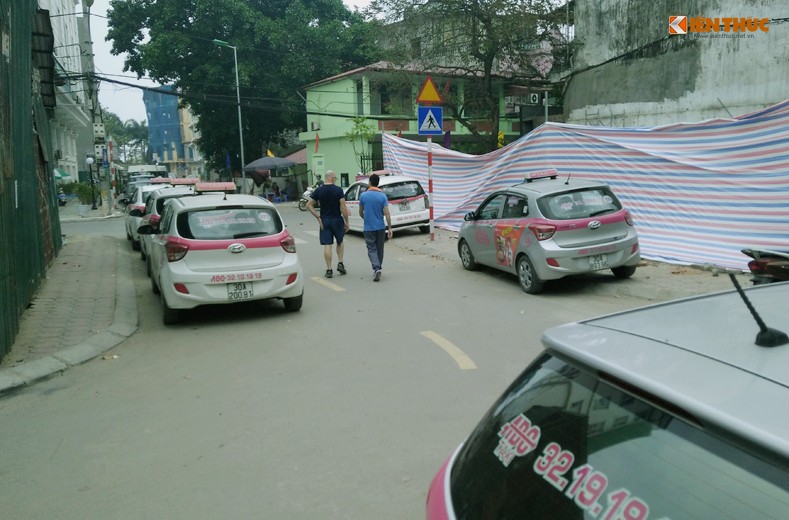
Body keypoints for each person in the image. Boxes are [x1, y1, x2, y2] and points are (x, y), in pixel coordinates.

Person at [307, 170, 349, 278]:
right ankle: (340, 263)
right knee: (340, 241)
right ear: (331, 178)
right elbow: (343, 207)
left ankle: (329, 269)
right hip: (337, 219)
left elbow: (309, 205)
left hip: (324, 220)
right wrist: (347, 221)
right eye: (335, 178)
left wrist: (318, 216)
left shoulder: (318, 190)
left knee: (327, 245)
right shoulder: (338, 190)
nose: (335, 180)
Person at [359, 173, 393, 282]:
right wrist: (390, 228)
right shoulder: (382, 196)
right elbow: (387, 213)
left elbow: (360, 212)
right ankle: (378, 267)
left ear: (369, 182)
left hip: (369, 227)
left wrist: (366, 218)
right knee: (379, 249)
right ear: (378, 183)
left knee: (371, 248)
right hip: (380, 227)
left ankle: (376, 267)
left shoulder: (363, 196)